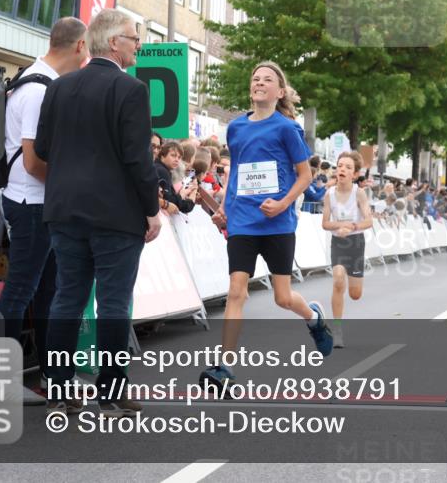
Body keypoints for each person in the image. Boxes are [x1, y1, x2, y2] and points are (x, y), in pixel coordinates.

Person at [34, 9, 161, 417]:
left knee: (67, 298)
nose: (138, 44)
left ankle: (57, 386)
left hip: (65, 210)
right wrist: (151, 209)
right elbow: (138, 160)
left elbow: (43, 148)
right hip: (115, 214)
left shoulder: (60, 87)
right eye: (134, 37)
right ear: (113, 43)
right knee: (113, 302)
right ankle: (110, 389)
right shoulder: (131, 90)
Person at [201, 61, 332, 389]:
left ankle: (314, 318)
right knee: (236, 291)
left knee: (283, 298)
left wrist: (283, 203)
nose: (259, 83)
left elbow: (305, 175)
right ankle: (225, 368)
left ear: (279, 91)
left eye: (267, 80)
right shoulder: (236, 128)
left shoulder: (286, 128)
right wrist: (223, 209)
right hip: (243, 222)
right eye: (255, 78)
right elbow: (237, 174)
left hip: (277, 224)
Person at [0, 17, 87, 394]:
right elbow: (34, 163)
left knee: (49, 291)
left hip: (38, 203)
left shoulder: (37, 81)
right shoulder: (38, 90)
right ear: (80, 46)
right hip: (31, 202)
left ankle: (55, 376)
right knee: (20, 291)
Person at [321, 150, 373, 349]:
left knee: (355, 294)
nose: (342, 169)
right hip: (338, 244)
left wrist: (351, 227)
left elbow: (368, 220)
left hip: (356, 243)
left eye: (348, 167)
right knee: (338, 281)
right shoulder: (329, 194)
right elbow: (325, 223)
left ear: (355, 174)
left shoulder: (359, 193)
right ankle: (337, 330)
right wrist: (338, 227)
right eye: (340, 165)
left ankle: (356, 284)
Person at [154, 141, 197, 216]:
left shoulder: (163, 169)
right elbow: (169, 201)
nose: (177, 160)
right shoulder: (162, 170)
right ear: (162, 155)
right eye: (173, 155)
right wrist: (184, 195)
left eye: (179, 157)